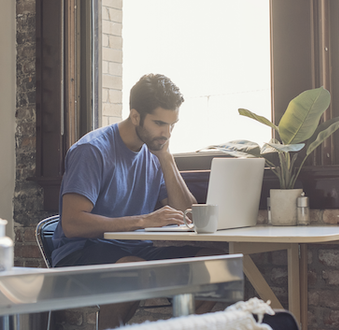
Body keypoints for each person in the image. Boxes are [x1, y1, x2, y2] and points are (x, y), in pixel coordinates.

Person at [51, 73, 220, 328]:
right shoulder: (93, 150)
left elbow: (188, 213)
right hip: (82, 251)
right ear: (135, 116)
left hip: (134, 250)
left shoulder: (154, 150)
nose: (167, 133)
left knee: (215, 264)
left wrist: (166, 158)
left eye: (172, 125)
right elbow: (73, 223)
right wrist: (143, 220)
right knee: (134, 271)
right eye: (160, 123)